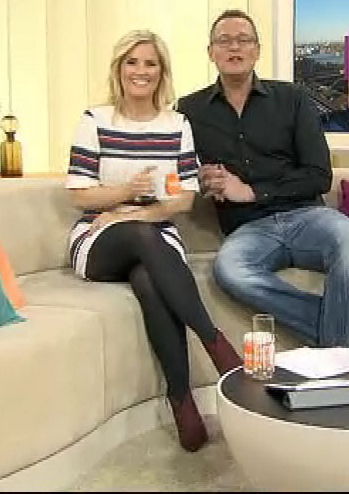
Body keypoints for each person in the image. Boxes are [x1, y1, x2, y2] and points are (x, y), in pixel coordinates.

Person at [65, 29, 241, 452]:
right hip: (99, 235)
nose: (140, 71)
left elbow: (183, 201)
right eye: (132, 62)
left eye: (150, 63)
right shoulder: (95, 120)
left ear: (161, 72)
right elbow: (79, 195)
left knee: (148, 279)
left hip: (156, 236)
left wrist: (138, 212)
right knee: (142, 239)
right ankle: (216, 345)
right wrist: (127, 193)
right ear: (119, 69)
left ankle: (183, 405)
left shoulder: (176, 124)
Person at [177, 9, 349, 348]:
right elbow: (180, 172)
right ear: (211, 52)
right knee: (230, 270)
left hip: (308, 217)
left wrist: (252, 191)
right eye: (224, 41)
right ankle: (345, 336)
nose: (234, 47)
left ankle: (337, 346)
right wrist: (202, 179)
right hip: (249, 229)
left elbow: (319, 175)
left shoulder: (292, 98)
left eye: (243, 40)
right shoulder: (190, 110)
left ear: (257, 50)